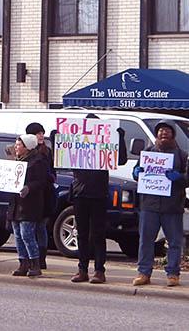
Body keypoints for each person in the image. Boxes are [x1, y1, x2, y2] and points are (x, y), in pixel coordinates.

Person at [70, 114, 127, 284]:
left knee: (98, 234)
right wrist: (56, 139)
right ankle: (82, 269)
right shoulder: (77, 144)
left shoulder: (104, 146)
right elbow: (59, 161)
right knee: (81, 234)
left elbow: (121, 159)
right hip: (80, 194)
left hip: (99, 194)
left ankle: (99, 270)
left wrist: (120, 138)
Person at [132, 121, 187, 287]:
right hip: (149, 205)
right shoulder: (147, 153)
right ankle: (144, 273)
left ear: (173, 134)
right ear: (157, 134)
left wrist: (179, 178)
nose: (164, 133)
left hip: (172, 207)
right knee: (146, 240)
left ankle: (173, 274)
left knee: (175, 242)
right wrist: (137, 172)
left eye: (167, 131)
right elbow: (136, 173)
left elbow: (187, 179)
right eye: (161, 131)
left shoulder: (182, 155)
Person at [7, 134, 49, 277]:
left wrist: (28, 188)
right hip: (16, 204)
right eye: (16, 144)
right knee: (18, 235)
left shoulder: (37, 162)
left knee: (27, 234)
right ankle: (22, 263)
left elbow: (42, 181)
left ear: (27, 147)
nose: (16, 147)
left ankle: (35, 264)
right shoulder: (16, 161)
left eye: (19, 145)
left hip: (30, 205)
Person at [25, 122, 57, 270]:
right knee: (30, 227)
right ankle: (31, 258)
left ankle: (41, 257)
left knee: (41, 226)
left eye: (42, 133)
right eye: (37, 133)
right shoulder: (26, 152)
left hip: (45, 193)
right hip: (31, 194)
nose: (41, 136)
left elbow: (52, 170)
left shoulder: (47, 151)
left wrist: (50, 177)